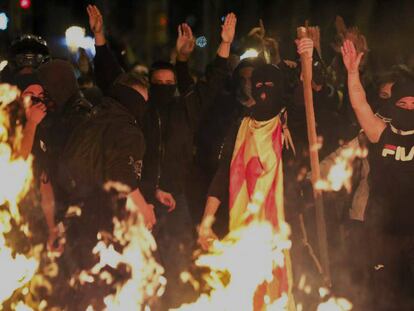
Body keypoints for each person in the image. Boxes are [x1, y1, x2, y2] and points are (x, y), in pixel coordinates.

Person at [87, 4, 235, 307]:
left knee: (178, 265)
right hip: (138, 200)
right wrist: (99, 38)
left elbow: (213, 83)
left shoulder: (185, 110)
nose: (165, 88)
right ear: (149, 87)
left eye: (171, 84)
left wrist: (224, 45)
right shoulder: (139, 112)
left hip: (175, 202)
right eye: (159, 84)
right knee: (136, 267)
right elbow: (111, 78)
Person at [341, 39, 414, 310]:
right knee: (386, 298)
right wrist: (351, 74)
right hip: (383, 233)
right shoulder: (381, 133)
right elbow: (360, 106)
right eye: (403, 103)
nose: (408, 109)